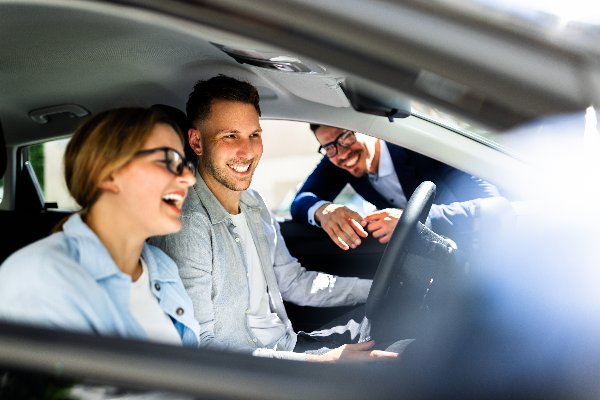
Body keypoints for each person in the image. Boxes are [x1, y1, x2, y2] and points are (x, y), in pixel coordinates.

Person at [150, 74, 400, 362]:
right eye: (230, 136)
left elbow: (293, 282)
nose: (247, 151)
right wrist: (322, 362)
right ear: (196, 141)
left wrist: (378, 289)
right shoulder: (189, 223)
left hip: (289, 347)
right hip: (258, 373)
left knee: (401, 325)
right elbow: (203, 348)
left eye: (254, 135)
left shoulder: (254, 202)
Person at [0, 107, 200, 346]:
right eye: (169, 160)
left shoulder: (162, 267)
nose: (189, 178)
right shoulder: (39, 279)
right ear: (107, 173)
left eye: (185, 164)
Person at [290, 124, 501, 251]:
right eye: (329, 147)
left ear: (367, 128)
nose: (342, 153)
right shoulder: (336, 160)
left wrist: (411, 222)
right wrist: (323, 210)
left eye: (346, 136)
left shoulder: (419, 146)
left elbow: (490, 204)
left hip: (480, 245)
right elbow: (300, 201)